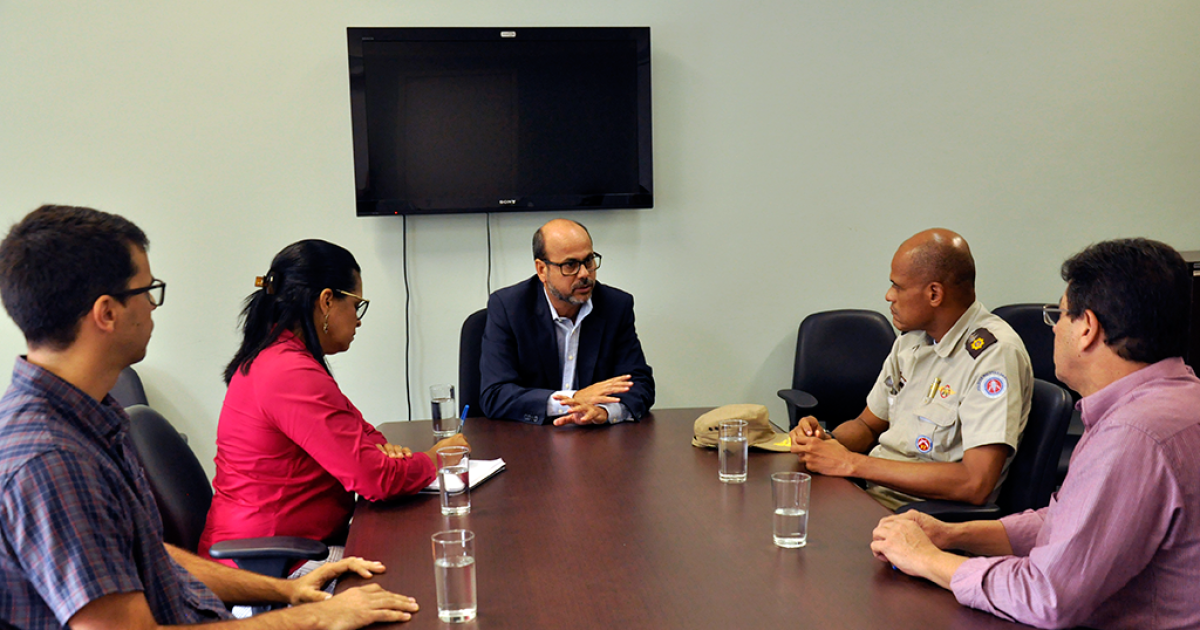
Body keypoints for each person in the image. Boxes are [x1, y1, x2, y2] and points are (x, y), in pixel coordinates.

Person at [0, 205, 420, 628]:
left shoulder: (91, 418)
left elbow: (146, 552)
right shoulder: (52, 460)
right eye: (147, 291)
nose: (153, 307)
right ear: (107, 313)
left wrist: (287, 591)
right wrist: (318, 617)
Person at [871, 238, 1200, 629]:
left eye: (1059, 315)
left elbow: (1046, 596)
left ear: (1087, 329)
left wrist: (926, 559)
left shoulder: (1131, 436)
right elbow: (1071, 523)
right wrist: (951, 534)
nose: (1055, 328)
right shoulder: (1177, 400)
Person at [199, 240, 468, 566]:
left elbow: (358, 429)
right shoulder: (287, 372)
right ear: (327, 301)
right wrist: (437, 459)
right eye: (356, 305)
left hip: (292, 546)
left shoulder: (284, 356)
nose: (358, 320)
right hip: (269, 563)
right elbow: (375, 480)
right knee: (417, 568)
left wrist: (382, 452)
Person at [789, 228, 1033, 509]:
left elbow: (974, 483)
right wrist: (823, 442)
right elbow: (866, 426)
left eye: (898, 287)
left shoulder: (994, 355)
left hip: (922, 515)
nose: (888, 296)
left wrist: (852, 463)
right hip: (873, 495)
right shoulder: (911, 341)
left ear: (934, 293)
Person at [479, 218, 654, 425]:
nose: (584, 274)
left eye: (589, 261)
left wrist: (604, 412)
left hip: (593, 435)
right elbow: (495, 395)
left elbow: (639, 385)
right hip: (530, 436)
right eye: (570, 265)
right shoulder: (509, 307)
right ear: (542, 270)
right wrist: (573, 399)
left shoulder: (615, 306)